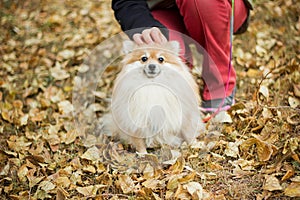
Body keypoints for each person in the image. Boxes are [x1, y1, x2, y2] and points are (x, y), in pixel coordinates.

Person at [111, 0, 253, 113]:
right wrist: (144, 25)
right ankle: (179, 101)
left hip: (216, 7)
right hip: (161, 9)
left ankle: (219, 87)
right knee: (165, 55)